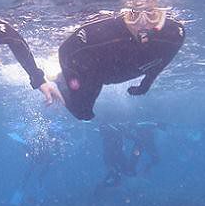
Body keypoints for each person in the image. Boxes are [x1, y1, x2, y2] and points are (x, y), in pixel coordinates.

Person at [56, 8, 185, 121]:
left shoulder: (174, 34)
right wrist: (70, 80)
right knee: (82, 114)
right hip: (93, 71)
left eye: (152, 15)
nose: (142, 23)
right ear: (125, 16)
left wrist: (145, 85)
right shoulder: (102, 31)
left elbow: (161, 62)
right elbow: (64, 51)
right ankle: (57, 80)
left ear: (162, 15)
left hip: (114, 72)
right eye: (133, 15)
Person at [97, 123, 136, 189]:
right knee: (116, 176)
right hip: (111, 157)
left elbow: (130, 136)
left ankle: (104, 185)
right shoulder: (114, 133)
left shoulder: (117, 133)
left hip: (117, 156)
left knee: (124, 173)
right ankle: (102, 186)